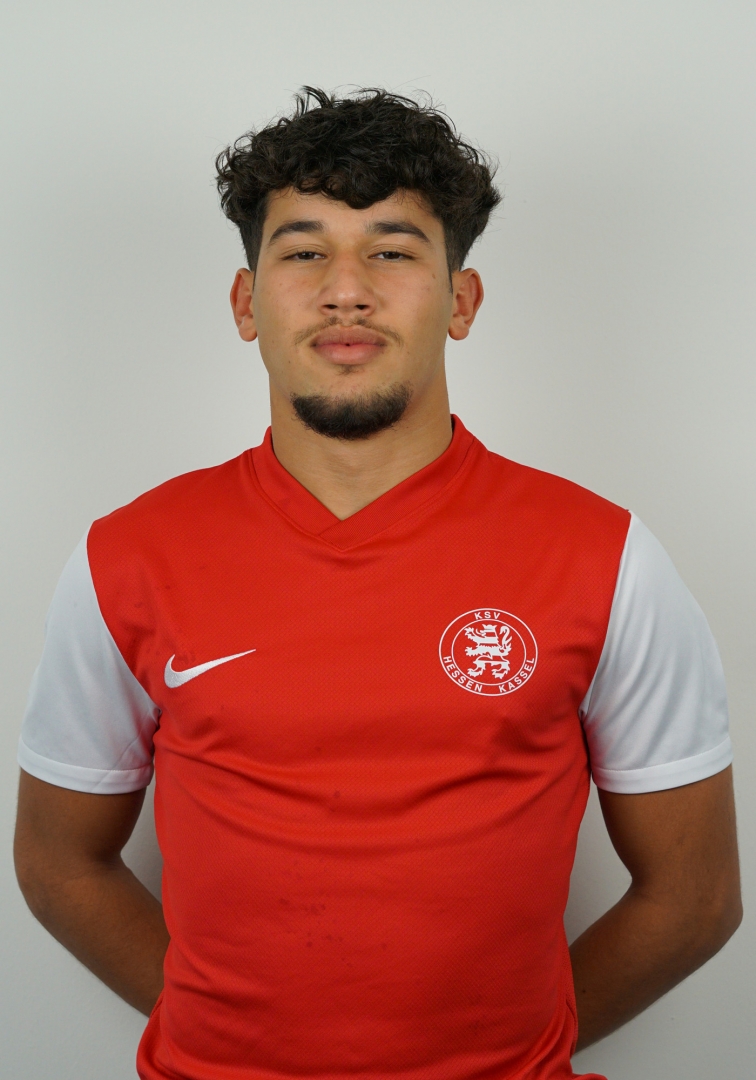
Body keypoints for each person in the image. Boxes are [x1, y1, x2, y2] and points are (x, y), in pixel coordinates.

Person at [13, 87, 741, 1080]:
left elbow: (696, 897)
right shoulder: (127, 557)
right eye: (303, 252)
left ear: (462, 301)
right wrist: (220, 1029)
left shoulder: (606, 557)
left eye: (393, 252)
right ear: (246, 302)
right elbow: (58, 861)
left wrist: (514, 1047)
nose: (345, 290)